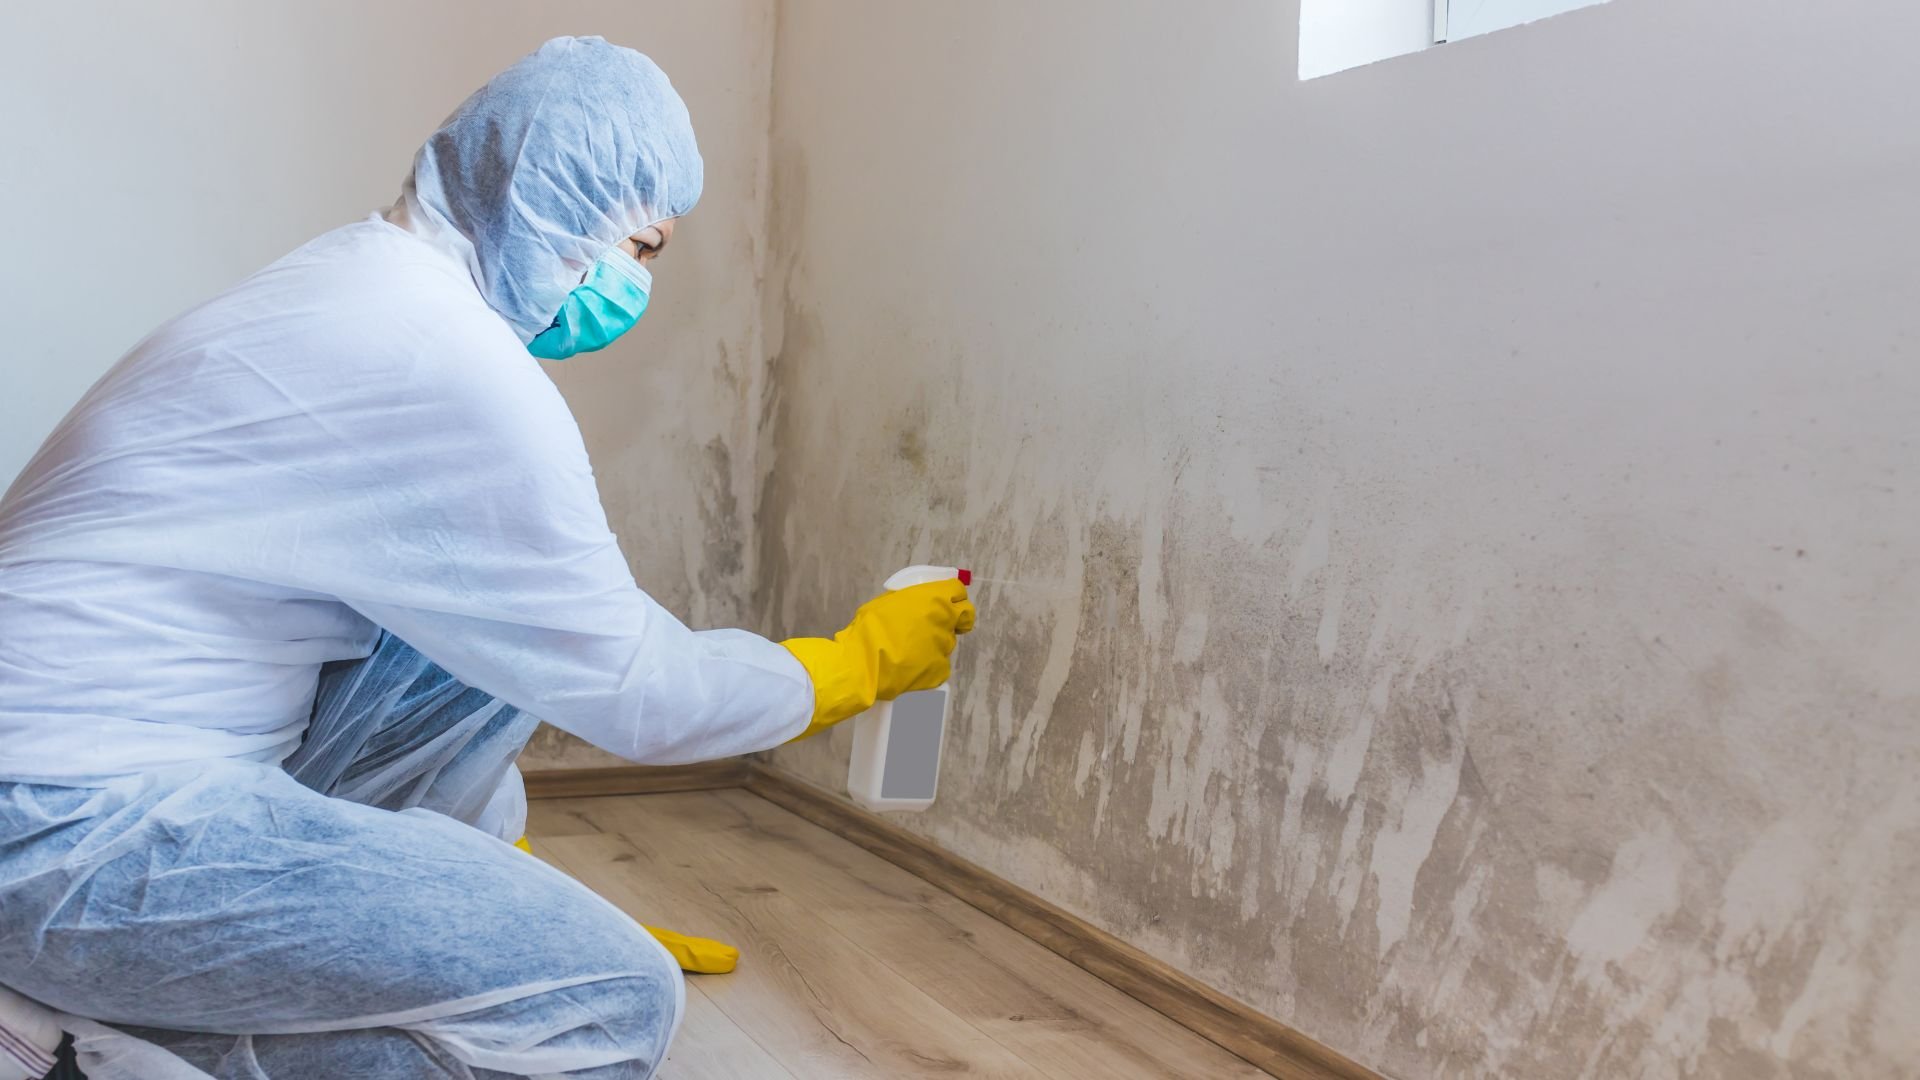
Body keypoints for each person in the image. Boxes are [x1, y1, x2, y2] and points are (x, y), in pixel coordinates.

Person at [0, 36, 973, 1080]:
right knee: (608, 998)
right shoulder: (448, 365)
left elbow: (513, 659)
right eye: (640, 248)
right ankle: (77, 1047)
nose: (636, 286)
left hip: (78, 780)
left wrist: (496, 900)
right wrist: (855, 666)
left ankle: (167, 998)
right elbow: (638, 688)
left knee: (471, 646)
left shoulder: (353, 283)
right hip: (69, 836)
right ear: (551, 199)